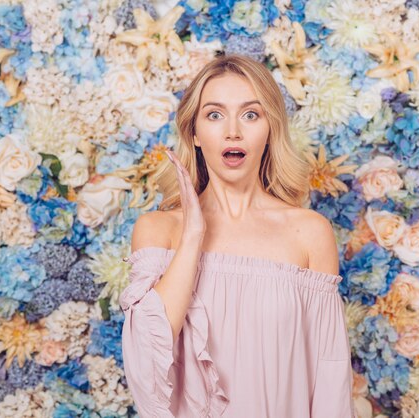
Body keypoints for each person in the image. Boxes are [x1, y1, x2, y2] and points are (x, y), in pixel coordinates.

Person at [119, 54, 354, 418]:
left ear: (270, 128)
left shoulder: (309, 232)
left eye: (250, 114)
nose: (233, 131)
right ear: (194, 133)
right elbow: (147, 362)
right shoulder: (159, 231)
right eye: (214, 115)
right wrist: (194, 233)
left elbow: (330, 378)